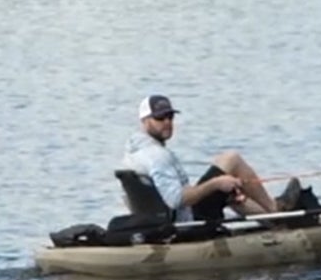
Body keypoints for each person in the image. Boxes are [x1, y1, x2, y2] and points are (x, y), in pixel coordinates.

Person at [122, 94, 290, 224]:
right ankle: (275, 210)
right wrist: (216, 184)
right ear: (144, 121)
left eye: (170, 117)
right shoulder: (158, 156)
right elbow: (176, 199)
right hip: (187, 222)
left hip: (166, 217)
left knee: (227, 185)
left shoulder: (132, 152)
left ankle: (272, 220)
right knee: (232, 160)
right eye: (159, 118)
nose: (167, 122)